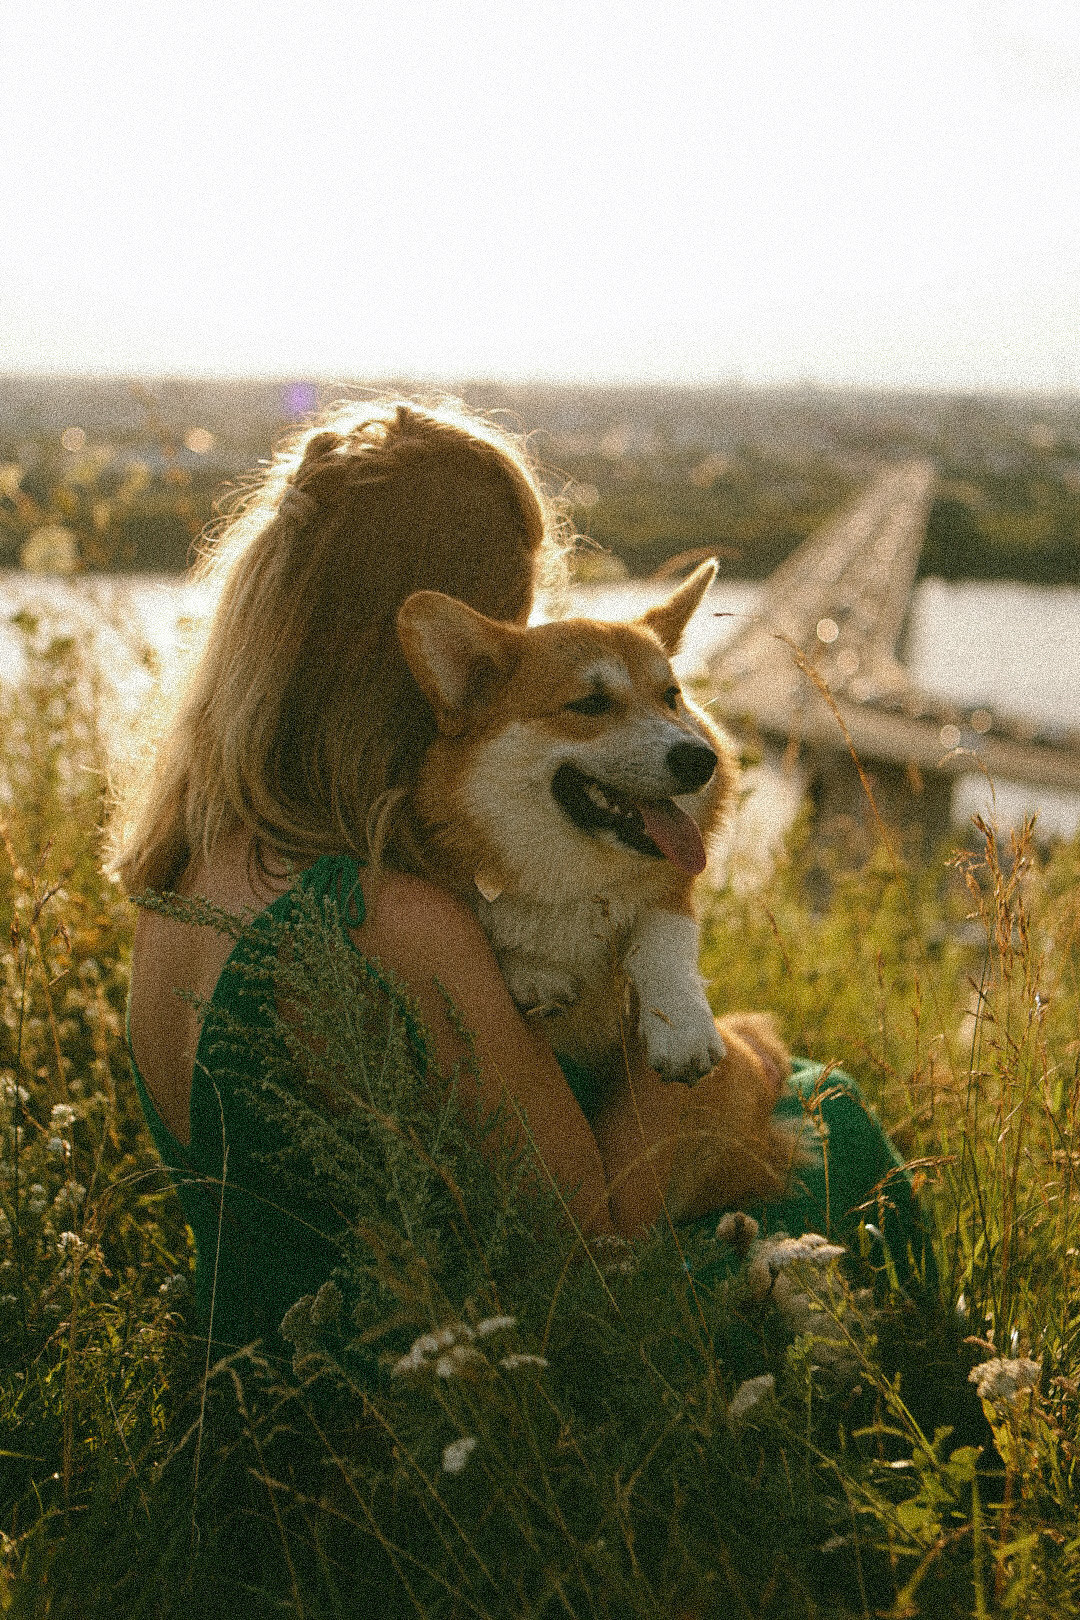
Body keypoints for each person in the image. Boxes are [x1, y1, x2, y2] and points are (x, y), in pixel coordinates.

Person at [116, 399, 931, 1354]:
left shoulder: (190, 868)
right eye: (514, 616)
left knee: (799, 1088)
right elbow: (593, 1240)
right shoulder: (394, 921)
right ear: (441, 663)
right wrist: (695, 1017)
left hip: (247, 1366)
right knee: (835, 1120)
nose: (530, 637)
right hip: (407, 1392)